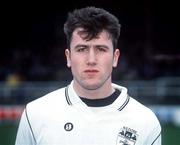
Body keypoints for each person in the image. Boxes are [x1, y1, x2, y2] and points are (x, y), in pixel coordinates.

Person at [15, 6, 161, 145]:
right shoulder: (35, 114)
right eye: (82, 49)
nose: (91, 60)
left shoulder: (145, 122)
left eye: (101, 49)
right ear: (68, 57)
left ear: (115, 57)